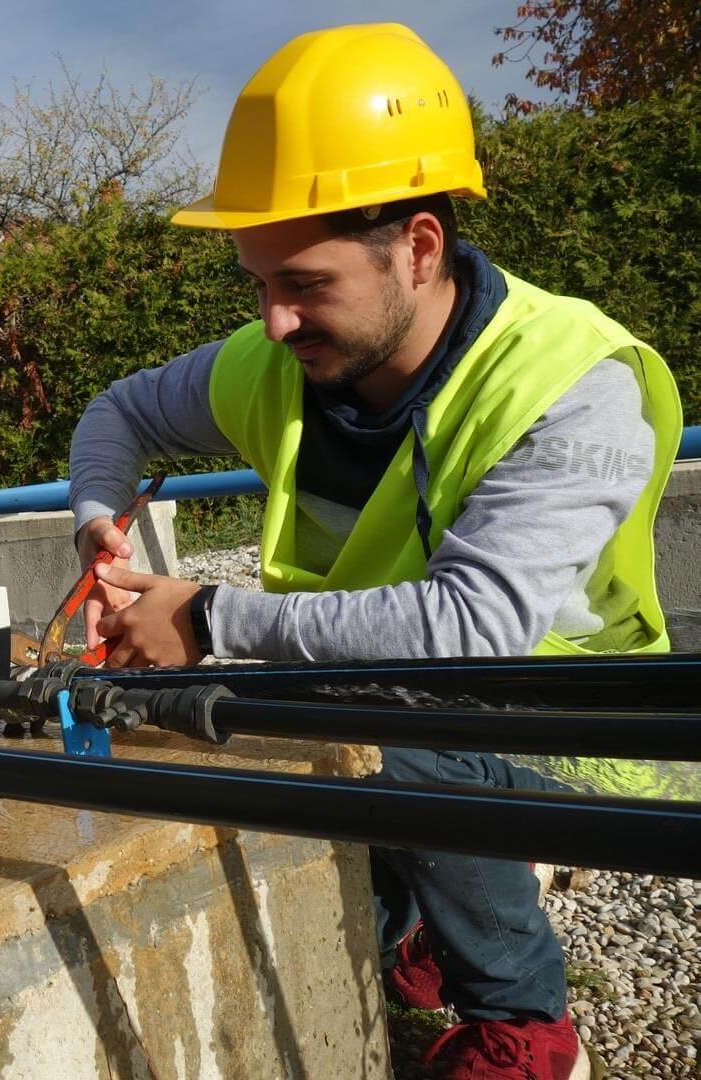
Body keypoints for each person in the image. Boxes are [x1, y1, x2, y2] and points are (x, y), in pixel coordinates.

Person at [68, 23, 680, 1080]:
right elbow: (115, 415)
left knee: (370, 731)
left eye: (304, 282)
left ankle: (525, 1027)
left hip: (578, 727)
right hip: (378, 688)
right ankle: (413, 923)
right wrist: (100, 528)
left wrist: (207, 619)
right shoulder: (279, 361)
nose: (272, 320)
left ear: (421, 247)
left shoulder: (578, 382)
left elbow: (473, 633)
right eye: (256, 282)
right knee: (304, 721)